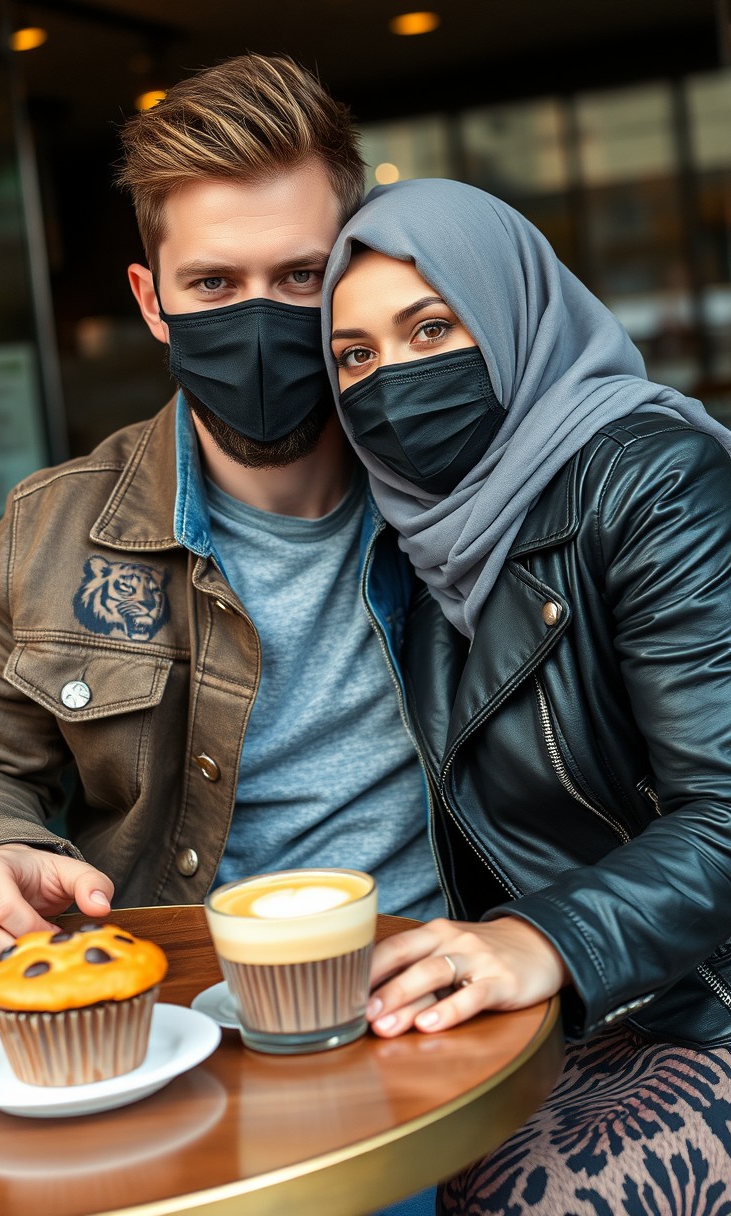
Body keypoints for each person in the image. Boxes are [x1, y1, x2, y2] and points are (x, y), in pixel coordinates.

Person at [0, 56, 446, 1011]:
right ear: (153, 303)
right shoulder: (48, 532)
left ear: (350, 276)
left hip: (437, 996)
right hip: (179, 1013)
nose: (259, 318)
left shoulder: (468, 494)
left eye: (301, 276)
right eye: (213, 284)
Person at [322, 177, 731, 1212]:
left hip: (702, 997)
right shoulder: (421, 541)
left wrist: (544, 936)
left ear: (513, 317)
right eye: (356, 356)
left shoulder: (655, 481)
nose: (393, 382)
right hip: (575, 1011)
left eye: (430, 328)